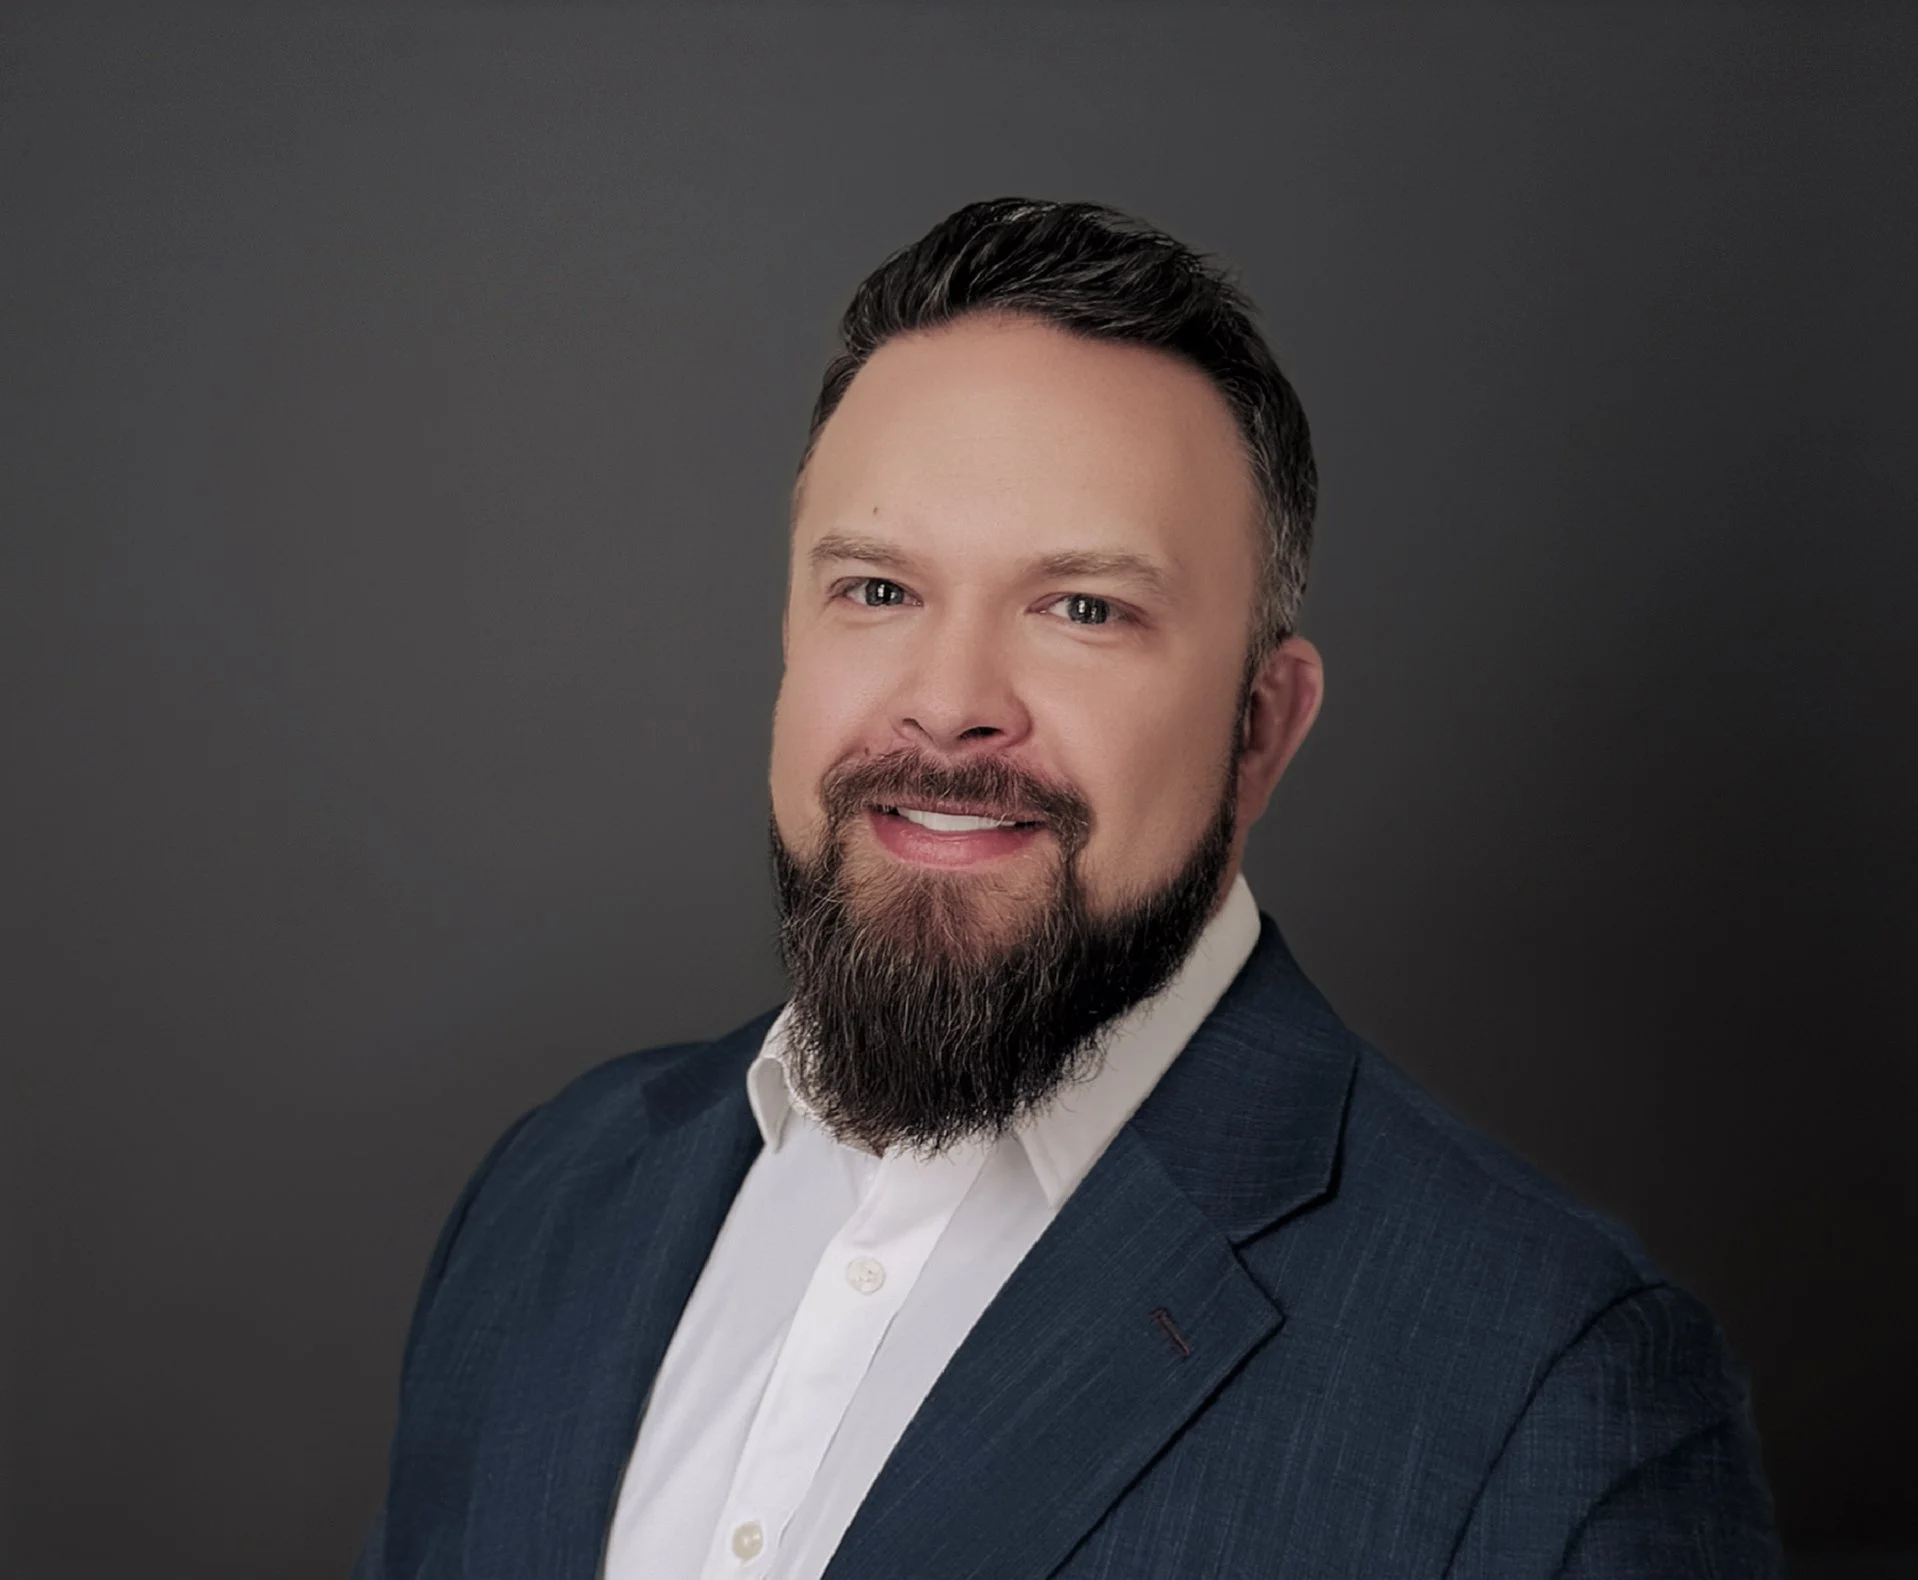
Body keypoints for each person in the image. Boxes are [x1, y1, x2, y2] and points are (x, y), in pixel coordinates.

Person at [354, 198, 1780, 1579]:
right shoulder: (555, 1192)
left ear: (1262, 726)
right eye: (877, 591)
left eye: (1083, 609)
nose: (951, 705)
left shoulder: (1556, 1389)